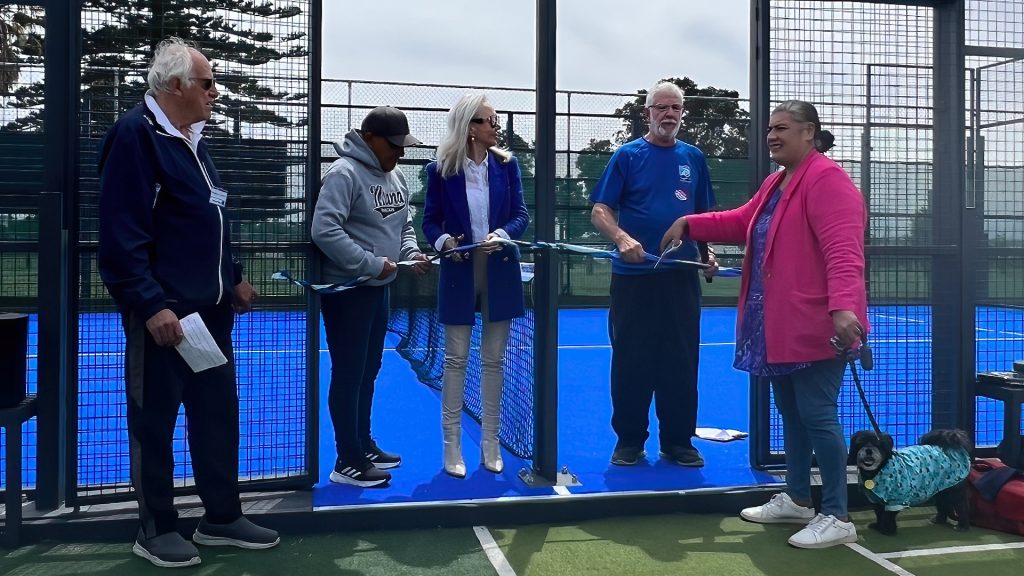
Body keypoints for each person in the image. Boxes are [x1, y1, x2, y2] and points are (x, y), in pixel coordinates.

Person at [97, 37, 279, 568]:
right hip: (165, 317)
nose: (216, 93)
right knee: (154, 423)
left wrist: (234, 278)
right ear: (175, 86)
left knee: (217, 415)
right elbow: (121, 234)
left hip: (211, 316)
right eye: (208, 83)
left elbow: (209, 219)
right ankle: (154, 529)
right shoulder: (136, 136)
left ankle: (221, 517)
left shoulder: (193, 138)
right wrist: (152, 304)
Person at [661, 100, 868, 549]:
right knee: (793, 414)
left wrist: (844, 308)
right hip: (778, 325)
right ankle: (797, 497)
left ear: (809, 133)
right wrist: (690, 223)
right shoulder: (778, 182)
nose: (772, 135)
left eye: (783, 128)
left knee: (817, 415)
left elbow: (843, 252)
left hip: (816, 325)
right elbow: (741, 221)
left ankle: (837, 513)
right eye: (770, 128)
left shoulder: (828, 181)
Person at [589, 81, 718, 468]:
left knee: (680, 359)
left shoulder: (693, 158)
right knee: (632, 358)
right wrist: (622, 238)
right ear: (647, 113)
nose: (669, 114)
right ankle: (630, 440)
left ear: (682, 113)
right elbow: (600, 211)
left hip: (680, 279)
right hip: (633, 278)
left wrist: (707, 255)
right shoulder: (627, 156)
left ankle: (678, 441)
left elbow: (704, 218)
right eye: (661, 107)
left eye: (675, 108)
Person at [312, 106, 430, 488]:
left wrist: (410, 253)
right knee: (349, 374)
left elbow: (404, 225)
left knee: (368, 371)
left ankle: (362, 445)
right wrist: (369, 264)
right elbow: (324, 230)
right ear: (370, 138)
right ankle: (346, 460)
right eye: (394, 145)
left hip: (378, 290)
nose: (400, 153)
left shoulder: (394, 175)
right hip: (347, 292)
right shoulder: (343, 173)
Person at [422, 94, 530, 477]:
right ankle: (451, 447)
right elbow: (429, 222)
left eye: (495, 120)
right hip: (459, 272)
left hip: (500, 271)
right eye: (489, 120)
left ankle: (491, 442)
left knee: (494, 361)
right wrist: (445, 243)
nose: (495, 126)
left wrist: (501, 234)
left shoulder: (507, 165)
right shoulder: (441, 169)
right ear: (470, 127)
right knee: (455, 360)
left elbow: (521, 215)